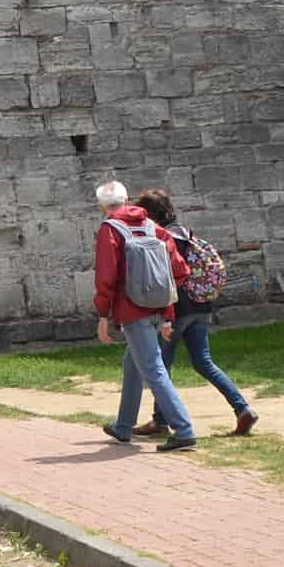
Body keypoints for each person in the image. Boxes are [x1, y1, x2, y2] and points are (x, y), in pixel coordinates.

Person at [133, 188, 257, 438]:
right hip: (201, 305)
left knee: (161, 366)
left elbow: (166, 279)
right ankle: (243, 409)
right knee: (203, 362)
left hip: (178, 309)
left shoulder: (164, 238)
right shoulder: (186, 233)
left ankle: (161, 420)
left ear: (151, 215)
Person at [91, 178, 197, 452]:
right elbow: (180, 271)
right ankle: (124, 426)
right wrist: (167, 313)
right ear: (126, 201)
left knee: (153, 369)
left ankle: (183, 430)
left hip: (132, 309)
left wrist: (103, 316)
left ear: (103, 207)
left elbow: (106, 277)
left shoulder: (110, 230)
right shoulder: (154, 228)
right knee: (133, 364)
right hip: (158, 306)